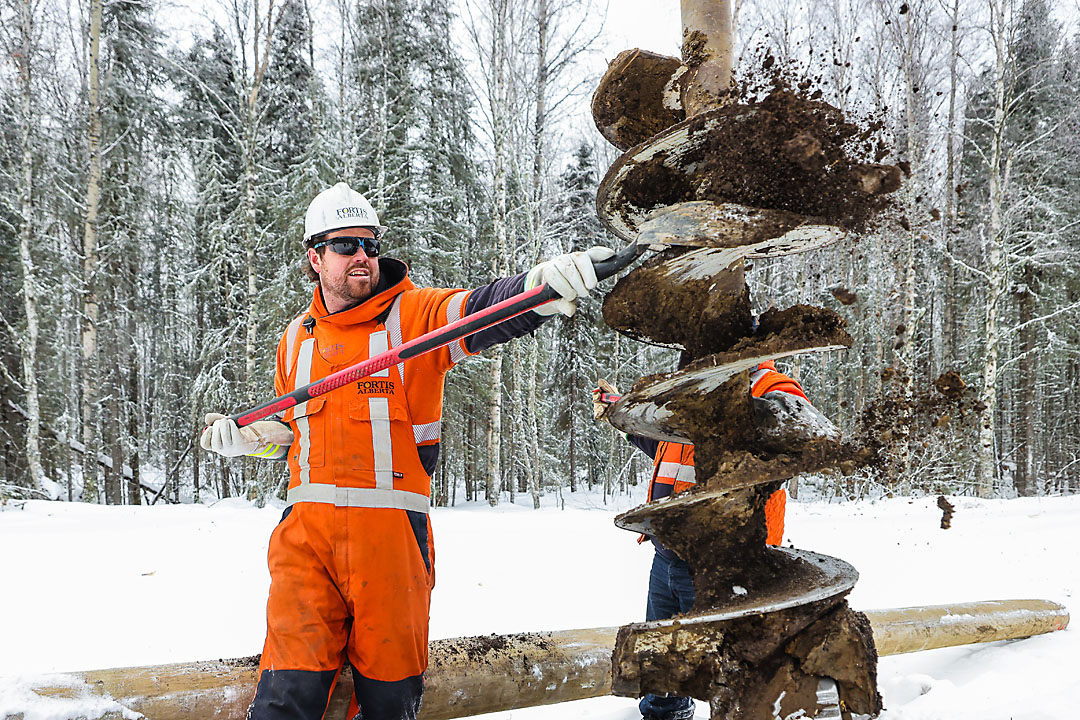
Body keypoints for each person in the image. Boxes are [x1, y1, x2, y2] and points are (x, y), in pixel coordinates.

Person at [200, 182, 614, 720]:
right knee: (285, 697)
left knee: (389, 701)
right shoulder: (294, 338)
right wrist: (258, 440)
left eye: (370, 245)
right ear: (315, 256)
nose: (363, 257)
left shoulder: (413, 317)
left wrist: (539, 289)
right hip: (305, 541)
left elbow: (478, 311)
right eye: (346, 245)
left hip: (390, 541)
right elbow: (295, 429)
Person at [593, 362, 837, 720]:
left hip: (724, 563)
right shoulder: (695, 389)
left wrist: (749, 411)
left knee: (736, 677)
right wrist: (621, 412)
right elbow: (671, 449)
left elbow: (801, 430)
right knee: (662, 673)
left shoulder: (769, 385)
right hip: (668, 556)